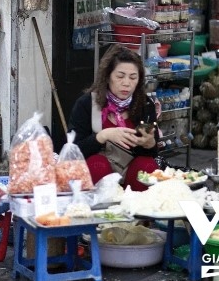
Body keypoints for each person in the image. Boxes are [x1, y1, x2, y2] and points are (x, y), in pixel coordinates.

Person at [68, 44, 159, 191]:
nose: (126, 83)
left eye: (133, 77)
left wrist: (150, 143)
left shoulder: (145, 104)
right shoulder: (86, 104)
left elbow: (152, 153)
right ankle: (102, 209)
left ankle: (138, 209)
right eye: (120, 76)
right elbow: (73, 152)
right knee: (97, 164)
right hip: (99, 169)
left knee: (147, 166)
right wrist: (103, 136)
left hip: (130, 168)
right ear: (108, 76)